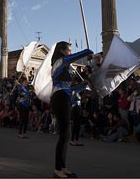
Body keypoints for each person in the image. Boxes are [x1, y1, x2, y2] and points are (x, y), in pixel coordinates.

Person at [49, 41, 93, 178]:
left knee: (66, 135)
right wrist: (88, 51)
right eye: (68, 50)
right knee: (64, 134)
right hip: (59, 98)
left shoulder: (65, 66)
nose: (69, 52)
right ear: (62, 50)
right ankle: (57, 169)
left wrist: (82, 86)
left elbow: (69, 89)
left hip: (64, 97)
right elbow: (75, 56)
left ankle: (62, 166)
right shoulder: (60, 61)